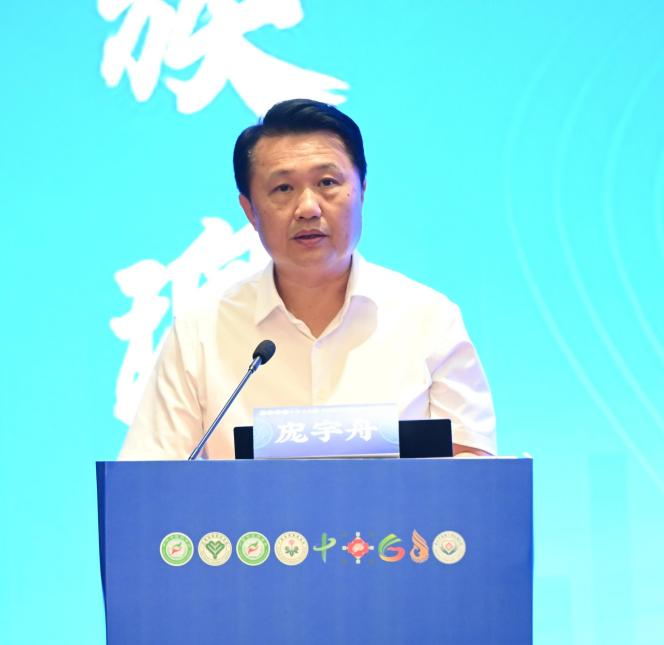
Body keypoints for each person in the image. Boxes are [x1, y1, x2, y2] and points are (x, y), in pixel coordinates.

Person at [119, 99, 496, 460]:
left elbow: (473, 465)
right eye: (283, 188)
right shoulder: (200, 333)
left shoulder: (429, 319)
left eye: (327, 182)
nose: (308, 208)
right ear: (249, 210)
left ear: (362, 190)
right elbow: (150, 477)